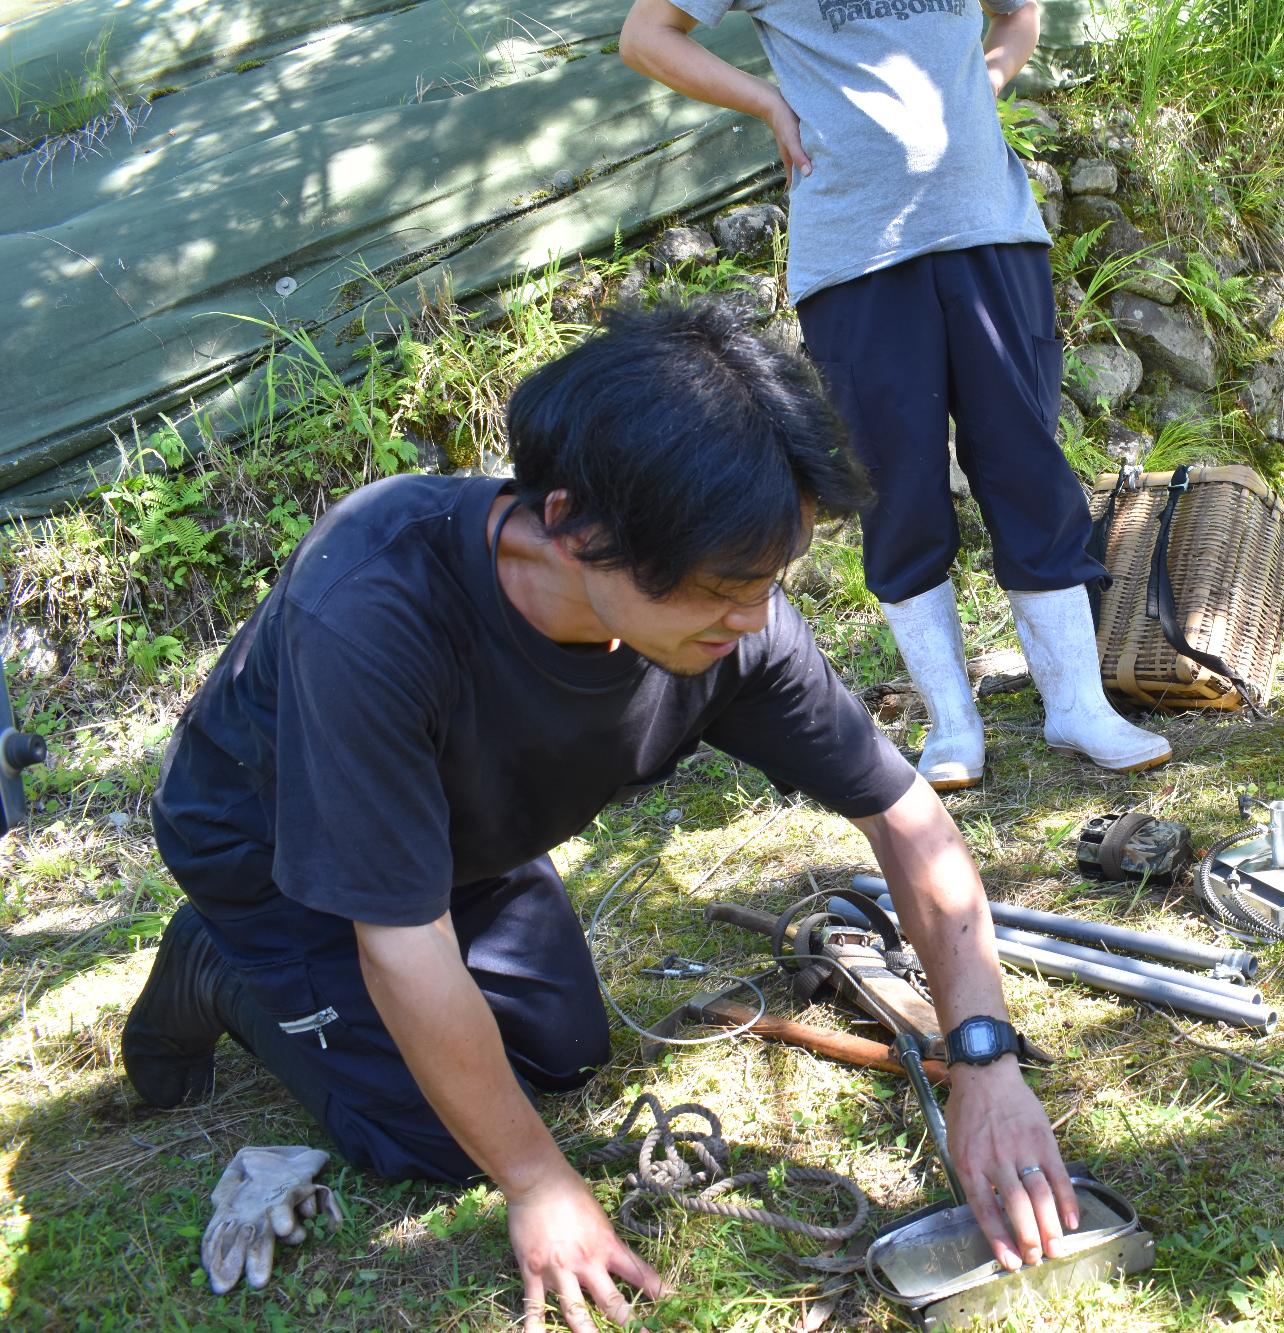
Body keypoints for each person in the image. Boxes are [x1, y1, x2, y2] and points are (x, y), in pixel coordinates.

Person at [121, 302, 1079, 1333]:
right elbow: (399, 940)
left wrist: (983, 1056)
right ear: (576, 524)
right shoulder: (371, 611)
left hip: (459, 847)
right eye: (724, 587)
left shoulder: (729, 624)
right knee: (443, 1144)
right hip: (277, 856)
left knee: (563, 1054)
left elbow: (905, 817)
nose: (756, 619)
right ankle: (217, 965)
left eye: (771, 579)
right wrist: (536, 1182)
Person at [620, 0, 1170, 791]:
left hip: (991, 229)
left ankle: (1078, 705)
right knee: (896, 482)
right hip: (855, 257)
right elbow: (646, 36)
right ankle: (952, 722)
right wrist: (769, 101)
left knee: (1026, 464)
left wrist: (988, 77)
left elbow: (1018, 14)